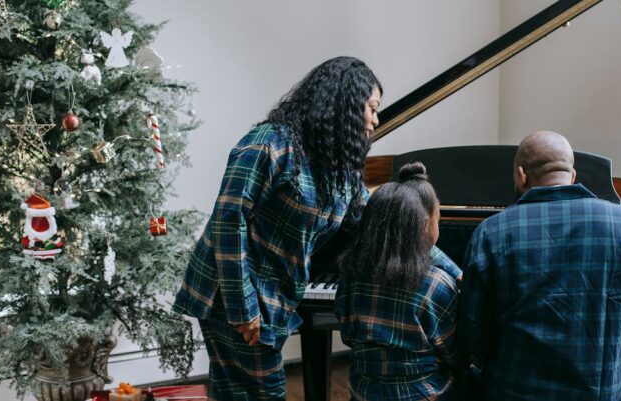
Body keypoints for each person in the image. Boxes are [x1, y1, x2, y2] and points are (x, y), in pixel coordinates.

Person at [172, 56, 383, 401]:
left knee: (237, 394)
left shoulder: (340, 165)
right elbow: (228, 219)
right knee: (263, 393)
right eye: (371, 107)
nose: (376, 119)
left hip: (274, 292)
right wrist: (243, 309)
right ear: (345, 103)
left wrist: (441, 263)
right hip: (231, 292)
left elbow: (375, 221)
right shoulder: (270, 142)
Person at [457, 131, 621, 401]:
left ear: (521, 175)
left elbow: (472, 337)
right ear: (572, 175)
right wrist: (612, 349)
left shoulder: (491, 232)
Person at [335, 162, 461, 401]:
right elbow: (454, 354)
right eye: (438, 219)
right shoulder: (436, 284)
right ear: (425, 225)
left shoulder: (350, 275)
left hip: (364, 392)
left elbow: (348, 337)